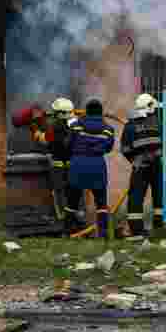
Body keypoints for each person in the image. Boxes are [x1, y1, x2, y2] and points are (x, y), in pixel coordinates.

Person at [66, 99, 115, 238]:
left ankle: (67, 231)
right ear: (101, 111)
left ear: (86, 111)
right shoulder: (108, 129)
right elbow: (109, 148)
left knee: (72, 200)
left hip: (78, 164)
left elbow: (68, 144)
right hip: (97, 165)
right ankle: (103, 233)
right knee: (101, 202)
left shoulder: (76, 126)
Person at [121, 93, 164, 236]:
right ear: (150, 108)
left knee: (136, 197)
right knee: (159, 195)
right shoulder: (157, 123)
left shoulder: (129, 126)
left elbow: (125, 149)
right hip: (156, 164)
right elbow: (162, 144)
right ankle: (159, 227)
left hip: (140, 166)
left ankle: (136, 230)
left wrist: (134, 160)